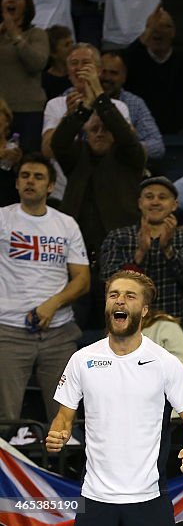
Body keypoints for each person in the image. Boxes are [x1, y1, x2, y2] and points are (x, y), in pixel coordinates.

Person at [45, 270, 183, 526]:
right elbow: (64, 416)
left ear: (144, 310)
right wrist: (58, 434)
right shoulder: (81, 360)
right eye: (114, 295)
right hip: (95, 498)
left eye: (130, 296)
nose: (119, 300)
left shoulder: (165, 363)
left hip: (150, 497)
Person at [0, 153, 89, 423]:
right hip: (9, 331)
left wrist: (52, 304)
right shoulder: (3, 218)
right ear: (16, 183)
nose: (30, 181)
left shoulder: (65, 223)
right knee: (6, 418)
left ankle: (65, 467)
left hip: (59, 333)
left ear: (50, 187)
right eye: (25, 176)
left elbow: (82, 279)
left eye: (38, 177)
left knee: (64, 419)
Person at [50, 57, 145, 258]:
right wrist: (84, 108)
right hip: (76, 242)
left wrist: (100, 97)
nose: (100, 133)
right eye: (94, 129)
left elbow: (127, 137)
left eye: (106, 129)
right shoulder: (77, 154)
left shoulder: (129, 156)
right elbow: (58, 143)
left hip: (119, 243)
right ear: (87, 132)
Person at [100, 176, 183, 336]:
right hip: (126, 328)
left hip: (175, 327)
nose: (155, 202)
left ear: (174, 205)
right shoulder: (118, 237)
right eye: (149, 197)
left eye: (162, 197)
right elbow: (108, 282)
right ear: (140, 203)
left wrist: (168, 250)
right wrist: (140, 254)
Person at [122, 0, 183, 134]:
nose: (158, 30)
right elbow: (123, 64)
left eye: (166, 26)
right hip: (141, 131)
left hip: (178, 130)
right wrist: (147, 32)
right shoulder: (135, 60)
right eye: (153, 26)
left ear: (173, 33)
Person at [0, 0, 50, 154]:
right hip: (1, 113)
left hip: (29, 111)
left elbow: (37, 63)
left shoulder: (37, 34)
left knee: (27, 161)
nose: (11, 1)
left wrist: (15, 34)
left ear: (27, 6)